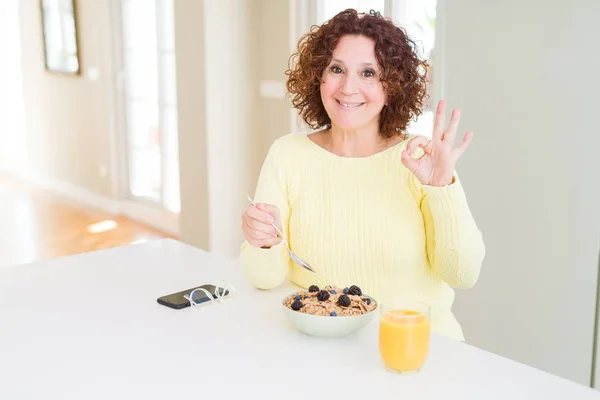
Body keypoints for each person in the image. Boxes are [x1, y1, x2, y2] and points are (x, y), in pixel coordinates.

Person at [239, 9, 485, 342]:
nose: (348, 87)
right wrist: (263, 242)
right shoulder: (287, 155)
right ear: (318, 77)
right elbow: (264, 278)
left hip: (416, 350)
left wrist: (441, 189)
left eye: (368, 72)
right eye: (336, 69)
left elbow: (462, 274)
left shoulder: (420, 159)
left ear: (392, 85)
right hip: (319, 348)